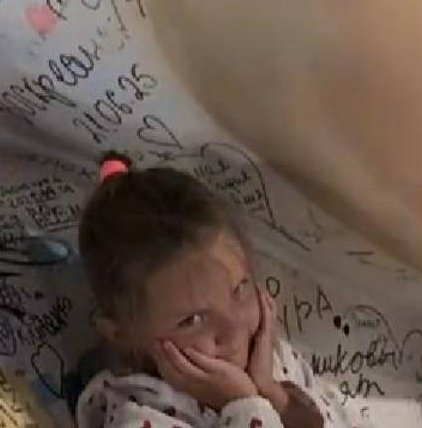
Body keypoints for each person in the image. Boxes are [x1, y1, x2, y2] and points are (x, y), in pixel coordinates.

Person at [71, 155, 330, 428]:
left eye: (239, 289)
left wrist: (270, 391)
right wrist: (243, 404)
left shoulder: (261, 352)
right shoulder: (138, 416)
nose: (235, 330)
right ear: (123, 335)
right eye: (193, 320)